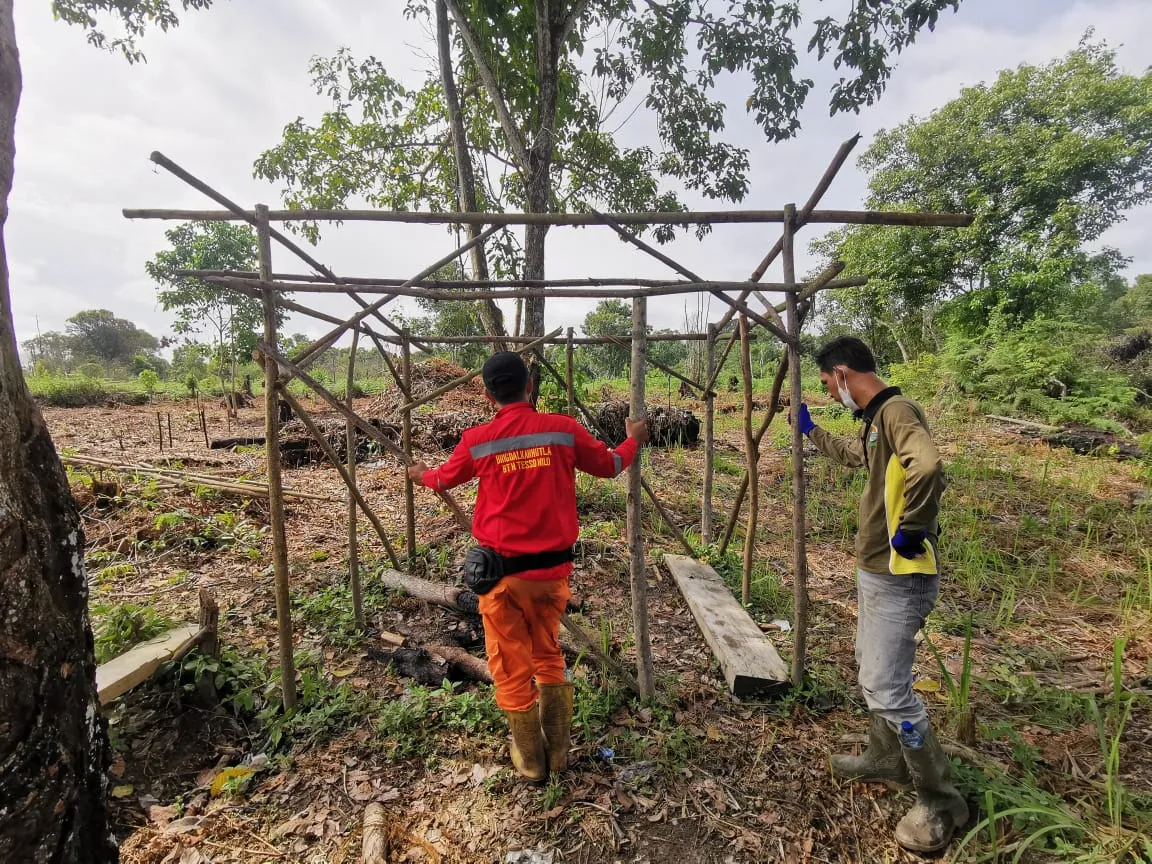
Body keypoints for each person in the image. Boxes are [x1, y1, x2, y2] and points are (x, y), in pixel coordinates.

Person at [408, 352, 648, 781]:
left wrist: (420, 475)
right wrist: (633, 439)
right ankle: (558, 753)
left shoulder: (477, 440)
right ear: (530, 386)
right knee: (548, 655)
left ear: (486, 394)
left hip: (501, 578)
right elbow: (612, 465)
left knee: (509, 665)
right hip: (552, 575)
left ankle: (532, 761)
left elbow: (444, 478)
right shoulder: (562, 430)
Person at [793, 336, 967, 853]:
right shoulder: (875, 423)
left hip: (899, 573)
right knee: (870, 665)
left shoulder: (896, 411)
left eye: (827, 385)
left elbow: (928, 464)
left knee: (889, 687)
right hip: (876, 570)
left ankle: (940, 800)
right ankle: (883, 757)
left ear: (844, 373)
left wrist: (913, 525)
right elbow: (858, 457)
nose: (828, 394)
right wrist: (813, 433)